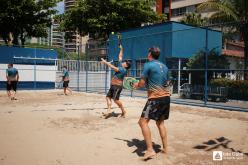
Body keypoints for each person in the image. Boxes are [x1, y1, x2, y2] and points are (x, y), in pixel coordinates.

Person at [133, 47, 171, 160]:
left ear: (150, 54)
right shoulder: (165, 66)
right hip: (166, 98)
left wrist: (136, 85)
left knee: (142, 122)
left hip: (155, 99)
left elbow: (142, 82)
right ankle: (165, 148)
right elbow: (168, 83)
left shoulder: (148, 65)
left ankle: (150, 150)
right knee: (160, 124)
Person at [101, 45, 131, 118]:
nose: (123, 62)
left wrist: (105, 62)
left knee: (116, 100)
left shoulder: (123, 70)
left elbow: (112, 67)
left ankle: (123, 112)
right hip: (113, 86)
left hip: (117, 87)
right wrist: (121, 49)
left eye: (125, 62)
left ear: (126, 66)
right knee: (107, 97)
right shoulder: (121, 66)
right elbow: (120, 56)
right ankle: (109, 110)